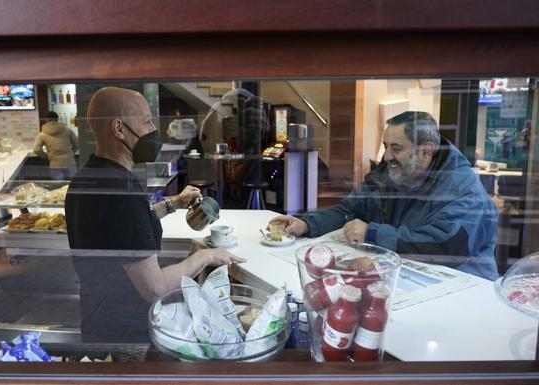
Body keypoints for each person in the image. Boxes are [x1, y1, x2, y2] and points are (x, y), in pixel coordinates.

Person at [65, 87, 245, 343]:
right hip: (126, 333)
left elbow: (122, 231)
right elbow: (154, 288)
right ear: (118, 129)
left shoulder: (88, 177)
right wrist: (207, 256)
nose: (153, 129)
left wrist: (173, 203)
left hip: (97, 317)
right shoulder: (120, 191)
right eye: (146, 121)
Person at [270, 111, 499, 280]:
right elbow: (349, 210)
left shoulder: (464, 189)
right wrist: (307, 224)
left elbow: (445, 246)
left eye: (396, 148)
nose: (387, 155)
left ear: (426, 152)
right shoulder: (388, 174)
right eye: (385, 145)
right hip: (406, 281)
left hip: (463, 295)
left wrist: (373, 233)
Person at [32, 111, 79, 180]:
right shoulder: (67, 130)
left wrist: (47, 156)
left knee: (59, 187)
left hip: (55, 164)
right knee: (73, 185)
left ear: (46, 120)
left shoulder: (42, 134)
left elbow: (36, 149)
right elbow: (77, 143)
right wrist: (71, 153)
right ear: (57, 119)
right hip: (69, 162)